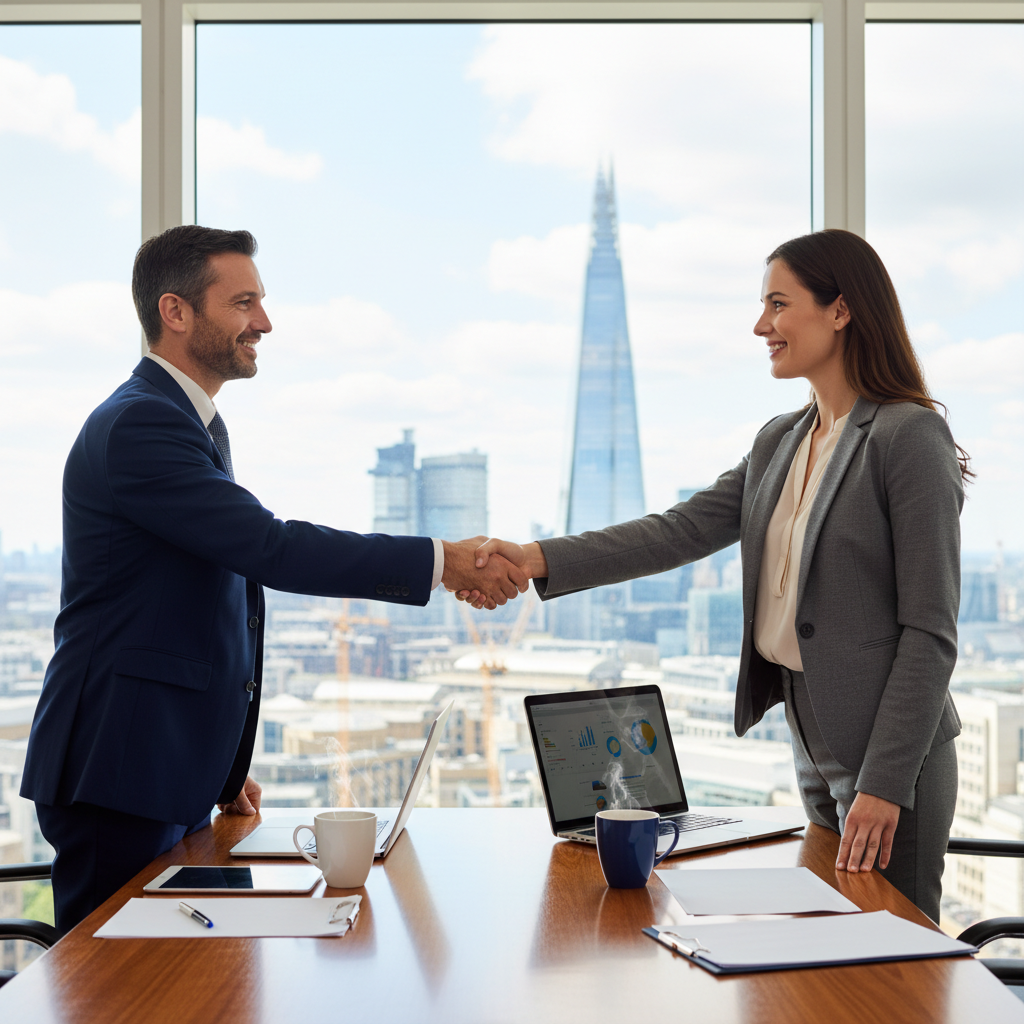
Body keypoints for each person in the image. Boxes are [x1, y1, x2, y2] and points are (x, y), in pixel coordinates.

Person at [21, 225, 527, 934]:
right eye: (244, 302)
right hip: (120, 768)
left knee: (172, 984)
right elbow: (270, 548)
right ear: (176, 312)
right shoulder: (142, 425)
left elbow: (191, 602)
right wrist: (442, 560)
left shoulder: (186, 422)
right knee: (115, 992)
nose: (264, 321)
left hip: (153, 765)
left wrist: (219, 769)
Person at [460, 229, 967, 923]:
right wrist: (536, 558)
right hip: (812, 740)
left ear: (840, 311)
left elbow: (930, 631)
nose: (762, 326)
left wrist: (885, 783)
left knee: (898, 957)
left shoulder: (907, 437)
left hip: (893, 753)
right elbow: (679, 530)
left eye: (779, 304)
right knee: (831, 944)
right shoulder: (780, 440)